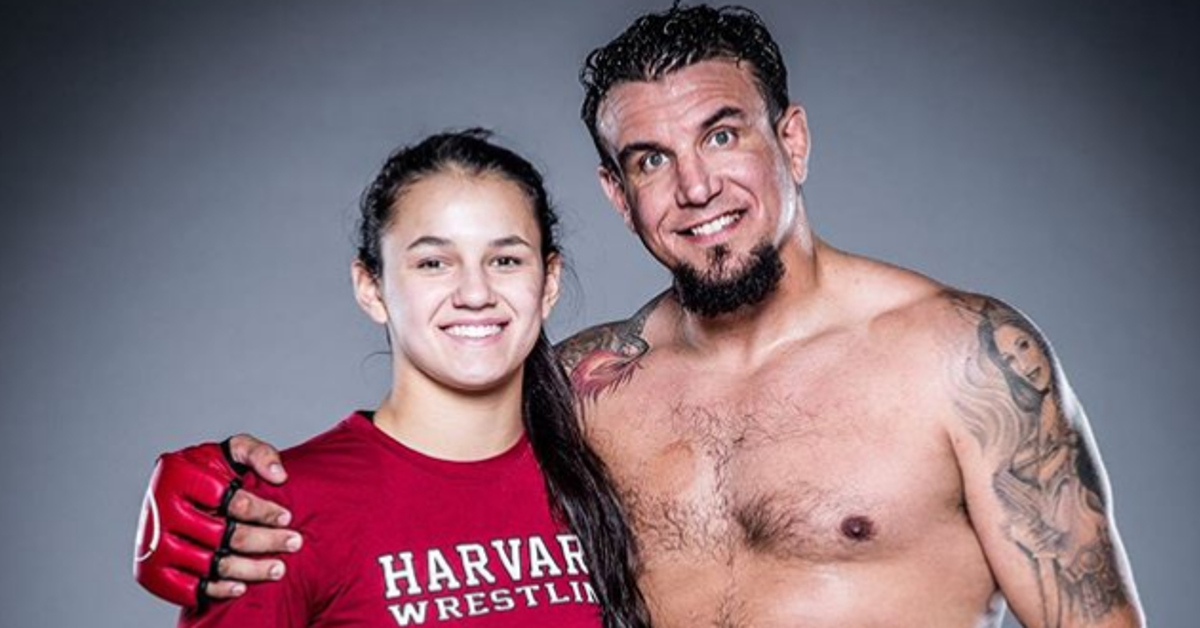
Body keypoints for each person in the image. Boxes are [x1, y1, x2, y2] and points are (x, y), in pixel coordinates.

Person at [134, 5, 1144, 627]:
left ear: (790, 138)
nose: (696, 185)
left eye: (723, 133)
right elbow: (410, 481)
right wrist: (207, 499)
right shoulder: (581, 384)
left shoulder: (960, 356)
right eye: (651, 159)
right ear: (618, 195)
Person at [135, 129, 650, 627]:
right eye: (433, 263)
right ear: (371, 287)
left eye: (505, 259)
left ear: (548, 283)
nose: (475, 292)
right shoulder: (276, 516)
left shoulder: (605, 476)